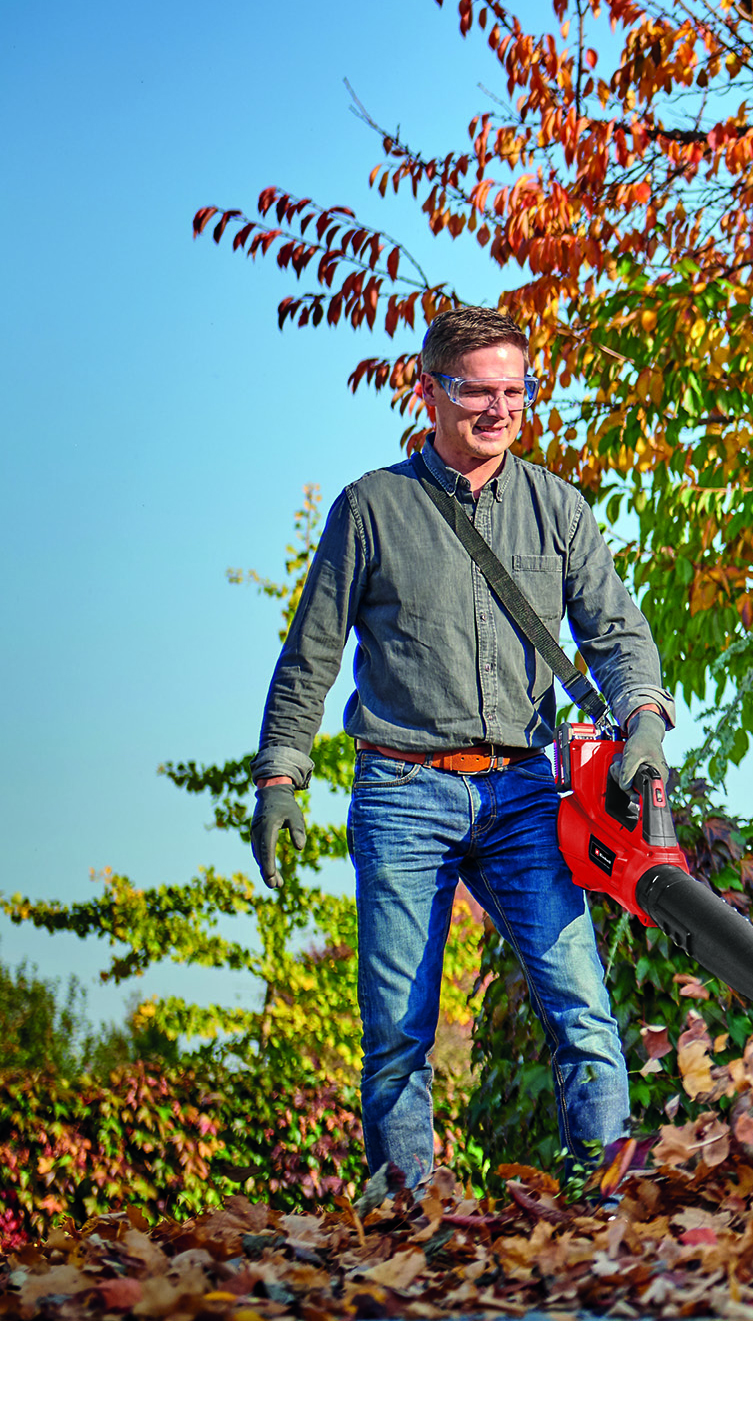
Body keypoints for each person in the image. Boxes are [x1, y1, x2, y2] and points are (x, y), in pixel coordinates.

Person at [247, 305, 672, 1191]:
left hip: (523, 792)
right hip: (404, 786)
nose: (499, 409)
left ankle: (606, 1200)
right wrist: (281, 776)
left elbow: (619, 637)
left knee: (581, 1007)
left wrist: (644, 724)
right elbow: (311, 656)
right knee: (399, 1026)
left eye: (515, 390)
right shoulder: (372, 508)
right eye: (477, 391)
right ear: (428, 391)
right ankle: (407, 1211)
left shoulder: (558, 507)